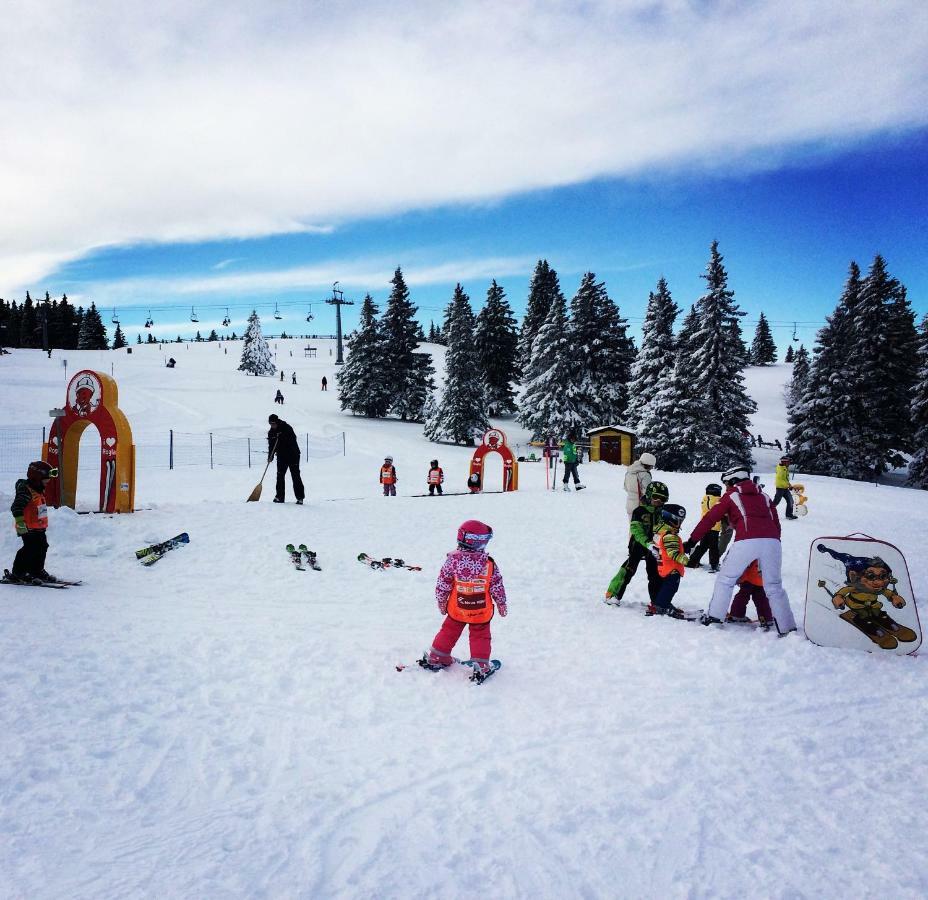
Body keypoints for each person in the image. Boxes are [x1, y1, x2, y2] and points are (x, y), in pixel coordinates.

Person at [686, 465, 797, 634]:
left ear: (733, 480)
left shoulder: (731, 496)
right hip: (773, 542)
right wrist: (772, 544)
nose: (726, 488)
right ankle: (787, 627)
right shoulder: (765, 496)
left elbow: (710, 519)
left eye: (726, 484)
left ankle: (715, 618)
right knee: (774, 585)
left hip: (746, 540)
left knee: (726, 579)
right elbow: (776, 523)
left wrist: (692, 541)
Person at [422, 520, 507, 680]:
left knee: (449, 630)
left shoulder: (451, 561)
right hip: (480, 611)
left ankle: (437, 656)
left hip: (458, 608)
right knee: (480, 635)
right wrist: (501, 602)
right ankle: (481, 666)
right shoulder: (489, 565)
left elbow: (443, 583)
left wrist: (441, 600)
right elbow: (496, 584)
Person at [604, 480, 668, 605]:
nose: (658, 502)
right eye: (656, 498)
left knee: (655, 572)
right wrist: (647, 542)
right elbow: (636, 530)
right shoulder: (639, 511)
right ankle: (613, 594)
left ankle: (657, 600)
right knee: (629, 569)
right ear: (649, 496)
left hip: (654, 546)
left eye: (662, 499)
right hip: (638, 544)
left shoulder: (662, 513)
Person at [8, 461, 56, 583]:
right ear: (37, 478)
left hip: (38, 527)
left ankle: (37, 570)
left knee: (42, 547)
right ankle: (19, 573)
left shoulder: (38, 488)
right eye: (46, 479)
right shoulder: (26, 491)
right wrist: (20, 524)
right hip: (27, 527)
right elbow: (16, 507)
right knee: (29, 549)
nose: (48, 481)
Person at [649, 503, 690, 617]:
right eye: (678, 520)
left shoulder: (660, 532)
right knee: (671, 588)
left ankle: (664, 603)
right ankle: (661, 605)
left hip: (664, 566)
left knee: (666, 587)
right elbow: (673, 553)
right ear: (670, 518)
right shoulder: (669, 535)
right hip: (672, 568)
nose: (680, 524)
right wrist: (687, 561)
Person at [267, 414, 305, 504]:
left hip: (293, 454)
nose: (272, 425)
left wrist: (282, 437)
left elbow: (293, 439)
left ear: (277, 422)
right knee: (280, 475)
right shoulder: (271, 432)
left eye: (273, 423)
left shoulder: (286, 427)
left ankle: (300, 498)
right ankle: (280, 497)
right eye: (270, 424)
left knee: (295, 475)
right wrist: (270, 456)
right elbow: (271, 445)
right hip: (281, 456)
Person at [686, 483, 723, 572]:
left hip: (705, 526)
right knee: (713, 547)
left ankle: (693, 561)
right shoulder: (718, 500)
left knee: (703, 546)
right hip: (714, 527)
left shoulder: (705, 499)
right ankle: (714, 565)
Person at [727, 561, 773, 627]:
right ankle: (766, 618)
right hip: (759, 576)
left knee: (743, 595)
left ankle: (737, 615)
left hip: (748, 576)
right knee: (761, 598)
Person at [624, 452, 656, 516]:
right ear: (648, 464)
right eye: (652, 466)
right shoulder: (645, 475)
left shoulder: (629, 472)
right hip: (640, 505)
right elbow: (647, 491)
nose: (651, 468)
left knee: (633, 525)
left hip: (629, 504)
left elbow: (626, 487)